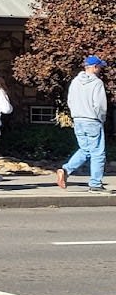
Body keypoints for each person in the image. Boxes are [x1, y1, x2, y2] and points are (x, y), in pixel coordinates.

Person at [56, 55, 109, 193]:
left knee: (85, 150)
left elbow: (70, 101)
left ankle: (66, 169)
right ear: (95, 67)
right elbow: (100, 105)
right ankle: (96, 183)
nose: (100, 69)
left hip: (78, 119)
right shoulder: (97, 83)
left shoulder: (75, 81)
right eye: (99, 67)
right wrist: (101, 118)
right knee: (98, 152)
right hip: (92, 119)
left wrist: (75, 114)